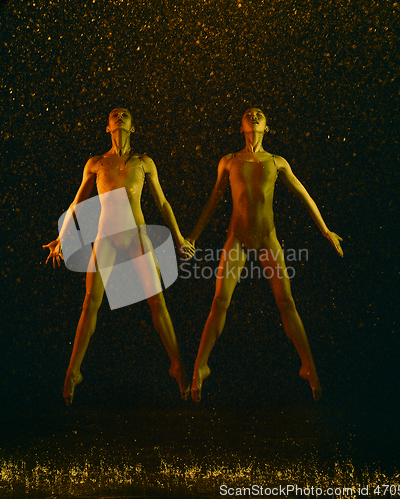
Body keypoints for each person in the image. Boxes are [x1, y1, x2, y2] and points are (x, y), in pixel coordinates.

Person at [187, 107, 344, 402]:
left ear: (267, 127)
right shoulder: (229, 161)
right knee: (219, 300)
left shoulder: (276, 161)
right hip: (237, 239)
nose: (254, 115)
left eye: (259, 114)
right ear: (241, 125)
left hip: (268, 239)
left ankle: (308, 367)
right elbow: (213, 201)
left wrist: (325, 230)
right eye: (249, 113)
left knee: (286, 301)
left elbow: (304, 194)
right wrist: (192, 237)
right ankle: (201, 366)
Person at [43, 107, 195, 406]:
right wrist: (61, 237)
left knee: (157, 302)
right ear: (108, 127)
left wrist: (177, 237)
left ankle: (177, 365)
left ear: (133, 127)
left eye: (125, 114)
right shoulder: (97, 163)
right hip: (106, 239)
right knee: (90, 304)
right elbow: (77, 202)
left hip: (136, 235)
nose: (120, 115)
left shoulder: (143, 162)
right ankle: (73, 373)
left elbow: (162, 202)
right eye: (114, 114)